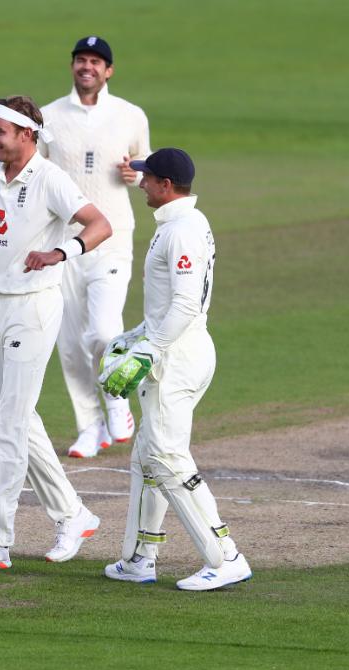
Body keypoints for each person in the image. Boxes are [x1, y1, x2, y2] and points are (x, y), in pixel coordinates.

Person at [0, 96, 113, 570]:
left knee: (10, 424)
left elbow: (100, 224)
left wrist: (61, 252)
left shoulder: (50, 178)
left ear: (26, 135)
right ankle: (73, 514)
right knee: (20, 418)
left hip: (34, 305)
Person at [98, 148, 251, 590]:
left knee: (166, 457)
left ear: (165, 185)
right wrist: (134, 336)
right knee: (147, 458)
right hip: (180, 348)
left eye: (147, 177)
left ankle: (225, 557)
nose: (140, 181)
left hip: (177, 359)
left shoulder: (181, 230)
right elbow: (169, 304)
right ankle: (139, 558)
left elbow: (185, 304)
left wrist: (148, 351)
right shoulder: (182, 223)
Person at [40, 35, 151, 458]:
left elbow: (147, 165)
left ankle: (116, 399)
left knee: (103, 331)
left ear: (108, 71)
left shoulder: (129, 115)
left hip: (113, 237)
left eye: (95, 61)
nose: (87, 67)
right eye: (81, 60)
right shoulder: (49, 116)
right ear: (73, 67)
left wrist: (136, 176)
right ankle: (90, 427)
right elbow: (40, 176)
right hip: (63, 244)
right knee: (69, 344)